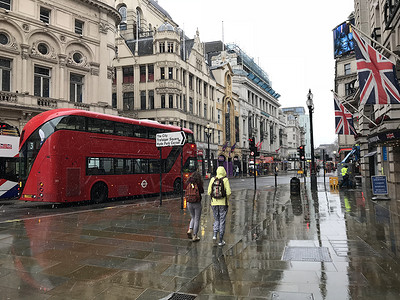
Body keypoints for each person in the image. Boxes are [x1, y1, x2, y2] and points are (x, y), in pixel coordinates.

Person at [208, 166, 231, 246]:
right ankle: (220, 240)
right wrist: (226, 199)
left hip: (214, 203)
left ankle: (214, 235)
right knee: (222, 220)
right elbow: (228, 193)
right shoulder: (225, 180)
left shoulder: (212, 179)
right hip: (223, 204)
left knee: (216, 219)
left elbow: (208, 192)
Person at [186, 171, 204, 242]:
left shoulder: (189, 182)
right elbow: (202, 191)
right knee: (196, 219)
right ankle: (195, 235)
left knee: (192, 217)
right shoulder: (198, 183)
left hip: (189, 202)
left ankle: (190, 229)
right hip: (196, 202)